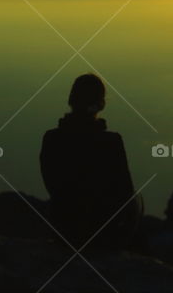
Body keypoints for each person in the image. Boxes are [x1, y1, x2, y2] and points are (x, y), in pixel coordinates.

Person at [40, 73, 142, 249]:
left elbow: (52, 186)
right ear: (101, 104)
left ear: (71, 100)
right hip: (102, 236)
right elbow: (125, 192)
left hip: (64, 230)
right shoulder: (112, 142)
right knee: (137, 199)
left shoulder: (51, 138)